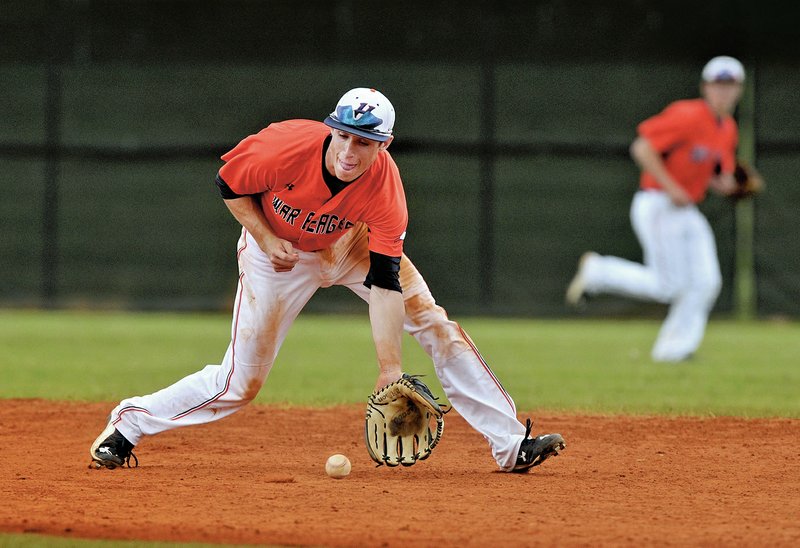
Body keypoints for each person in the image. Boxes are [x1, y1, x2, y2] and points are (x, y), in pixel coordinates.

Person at [90, 87, 565, 472]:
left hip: (350, 244)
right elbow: (229, 186)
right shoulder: (284, 145)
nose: (349, 150)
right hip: (276, 254)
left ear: (384, 145)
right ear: (330, 129)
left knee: (436, 325)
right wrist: (264, 236)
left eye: (364, 141)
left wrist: (389, 367)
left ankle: (511, 446)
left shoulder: (386, 192)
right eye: (343, 136)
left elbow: (386, 283)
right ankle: (127, 425)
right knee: (239, 383)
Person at [565, 56, 745, 363]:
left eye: (730, 85)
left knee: (707, 281)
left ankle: (673, 351)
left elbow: (714, 173)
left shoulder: (727, 128)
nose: (724, 91)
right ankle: (599, 272)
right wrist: (672, 186)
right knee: (669, 286)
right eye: (718, 84)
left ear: (739, 90)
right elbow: (642, 147)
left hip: (687, 210)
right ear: (705, 87)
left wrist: (728, 185)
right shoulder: (687, 114)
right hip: (658, 202)